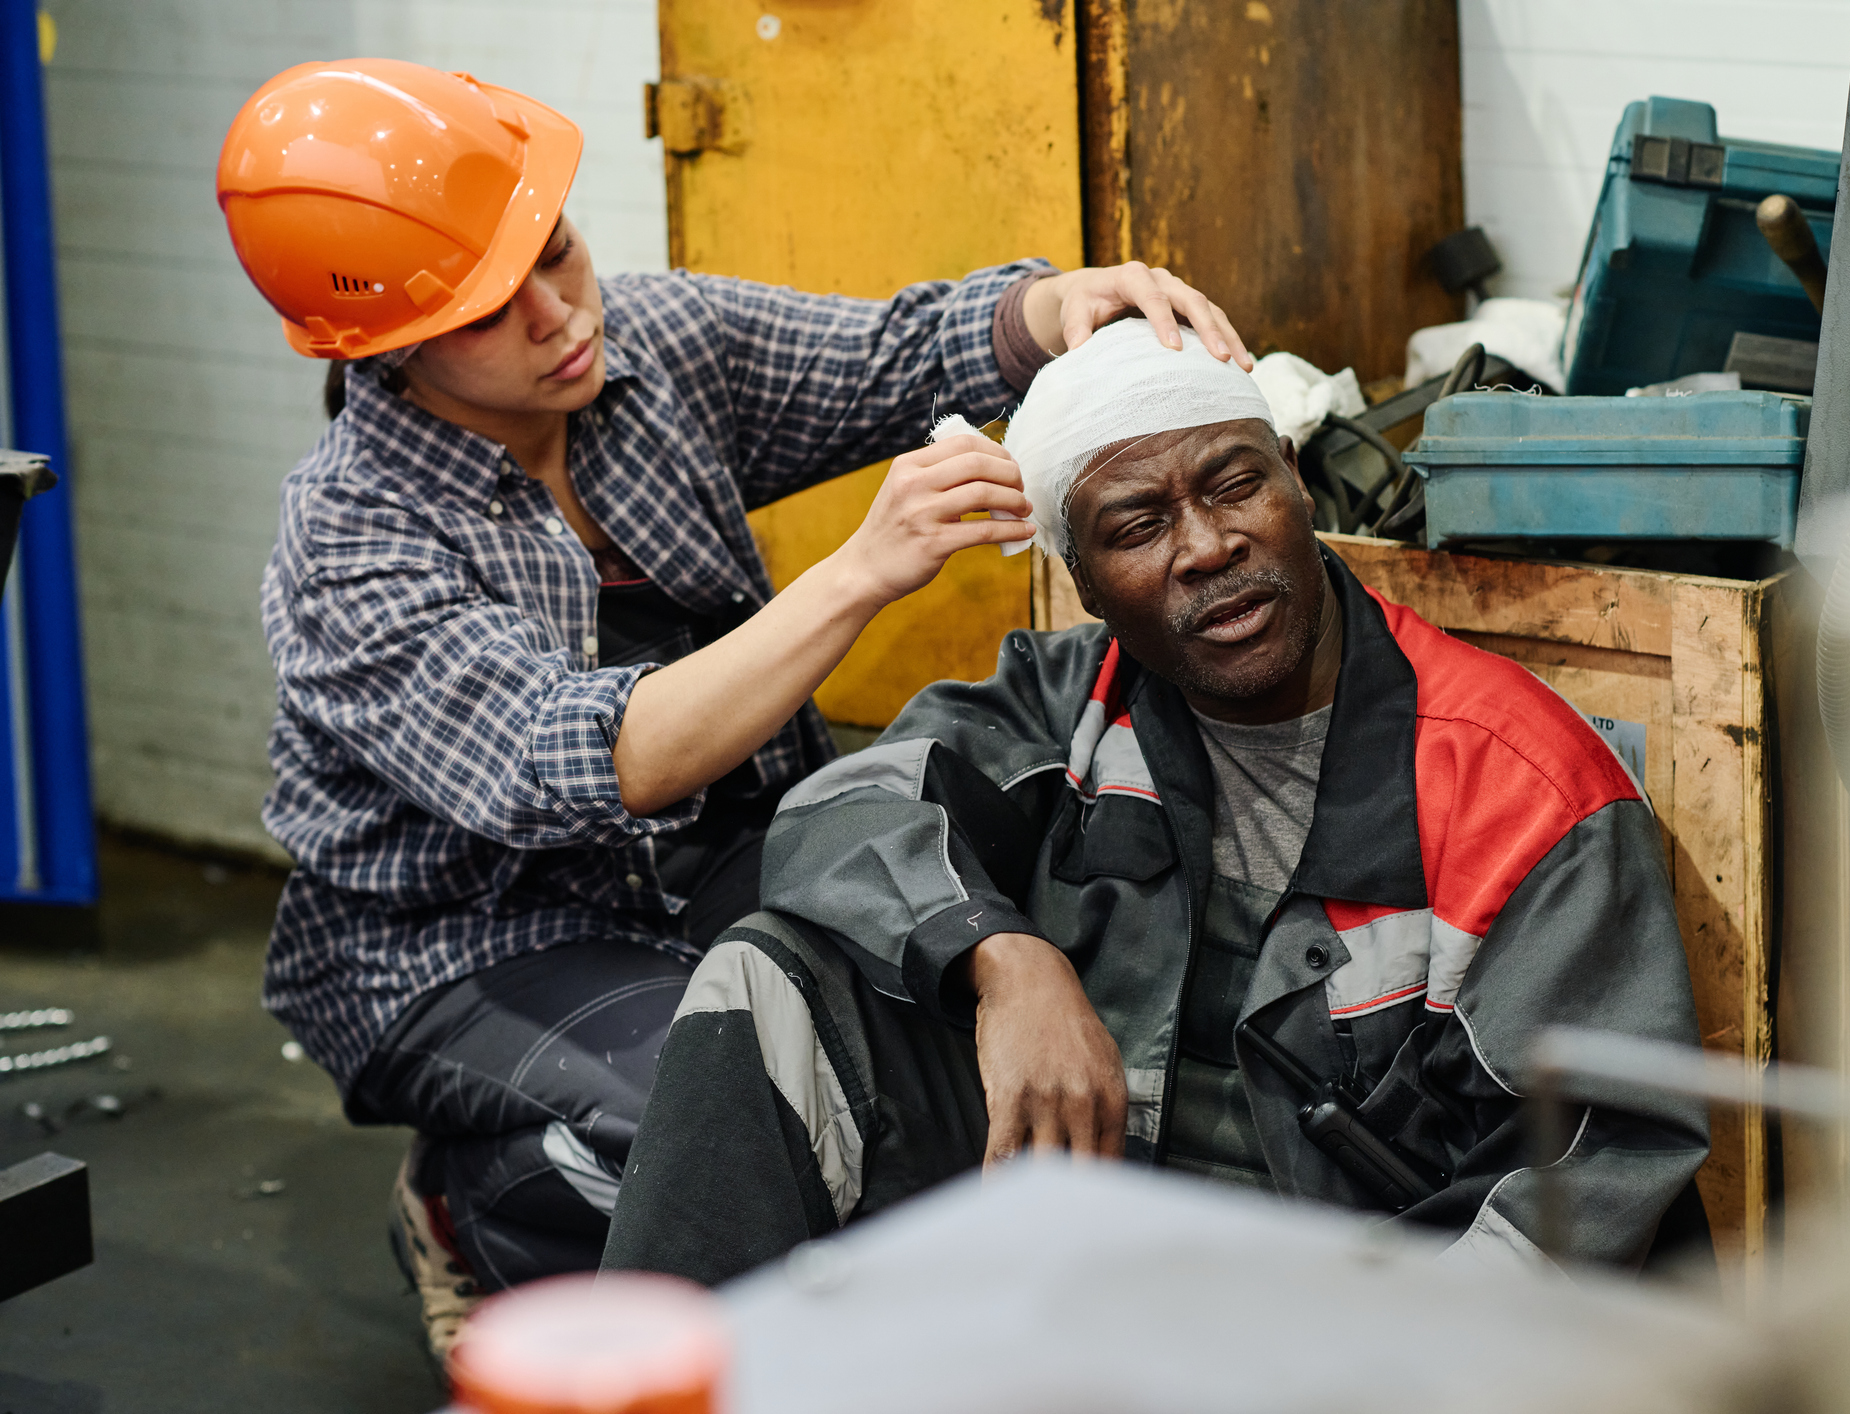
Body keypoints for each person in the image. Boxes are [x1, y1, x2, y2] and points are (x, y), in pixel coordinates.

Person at [215, 58, 1251, 1355]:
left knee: (939, 1033)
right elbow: (601, 758)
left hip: (709, 863)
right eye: (493, 309)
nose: (558, 313)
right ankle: (471, 1206)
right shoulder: (354, 540)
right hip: (473, 943)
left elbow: (884, 355)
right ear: (392, 347)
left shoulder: (647, 350)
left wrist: (1051, 310)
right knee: (727, 1117)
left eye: (559, 250)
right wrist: (861, 572)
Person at [602, 318, 1711, 1284]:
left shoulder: (1519, 785)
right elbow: (842, 813)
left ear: (1294, 477)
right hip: (1104, 1236)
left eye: (1235, 485)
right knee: (768, 975)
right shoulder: (1071, 695)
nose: (1207, 546)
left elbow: (1598, 1172)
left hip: (1361, 1304)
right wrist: (1003, 961)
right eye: (1137, 526)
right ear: (1081, 578)